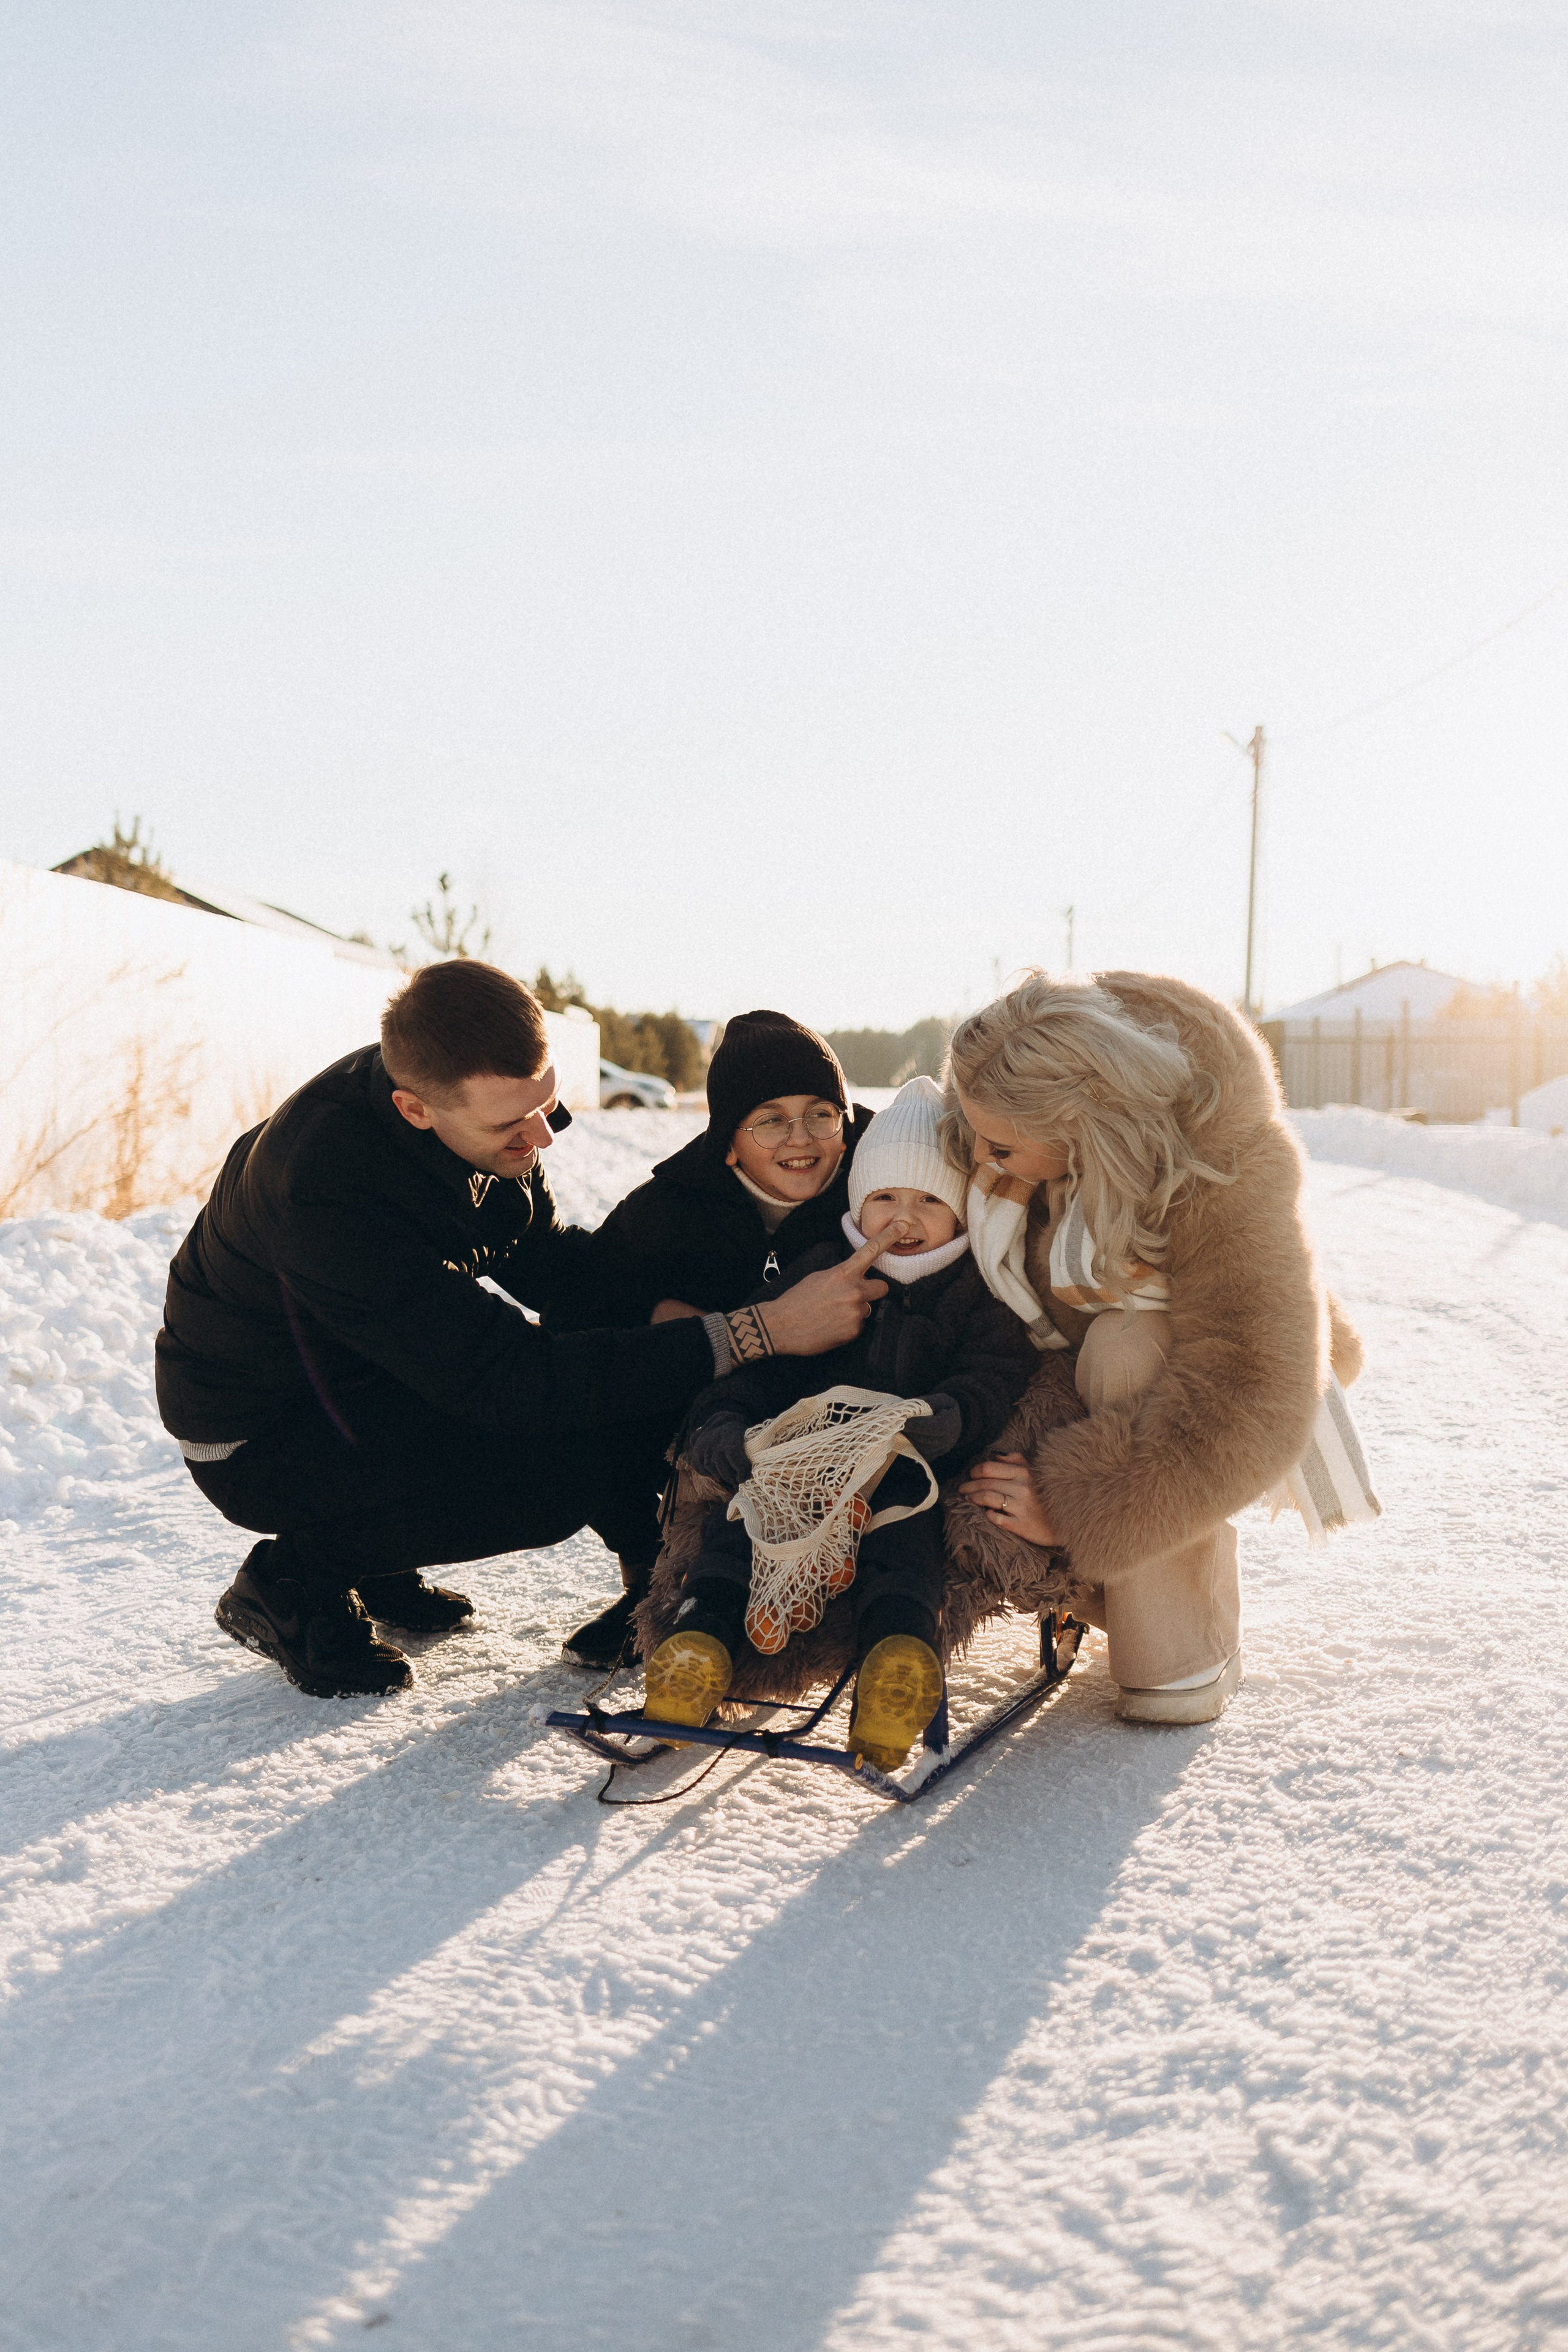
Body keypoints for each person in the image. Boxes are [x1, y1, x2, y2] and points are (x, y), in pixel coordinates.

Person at [156, 962, 888, 1698]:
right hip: (262, 1432)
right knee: (551, 1482)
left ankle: (400, 1559)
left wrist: (663, 1304)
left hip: (369, 1371)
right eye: (512, 1125)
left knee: (623, 1360)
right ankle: (293, 1582)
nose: (540, 1136)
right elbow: (516, 1385)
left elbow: (549, 1263)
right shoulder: (326, 1194)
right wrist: (755, 1332)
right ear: (415, 1111)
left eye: (548, 1102)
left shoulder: (466, 1102)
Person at [945, 970, 1366, 1724]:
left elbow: (1251, 1387)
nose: (979, 1156)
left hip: (1219, 1375)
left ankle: (1186, 1647)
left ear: (1077, 1128)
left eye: (1000, 1143)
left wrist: (1078, 1507)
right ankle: (1092, 1585)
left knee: (1125, 1345)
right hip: (1070, 1349)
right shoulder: (1019, 1092)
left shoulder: (1227, 1162)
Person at [643, 1077, 1036, 1770]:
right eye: (884, 1197)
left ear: (961, 1211)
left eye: (928, 1201)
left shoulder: (977, 1290)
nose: (901, 1219)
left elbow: (995, 1375)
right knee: (737, 1528)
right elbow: (762, 1366)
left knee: (906, 1541)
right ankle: (697, 1644)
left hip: (907, 1464)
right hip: (803, 1460)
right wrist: (725, 1428)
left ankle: (897, 1660)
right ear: (858, 1199)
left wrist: (951, 1417)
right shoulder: (822, 1269)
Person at [561, 1009, 876, 1329]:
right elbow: (577, 1300)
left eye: (821, 1114)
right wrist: (662, 1315)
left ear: (845, 1129)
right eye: (771, 1121)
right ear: (728, 1146)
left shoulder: (885, 1190)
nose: (800, 1137)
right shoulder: (670, 1207)